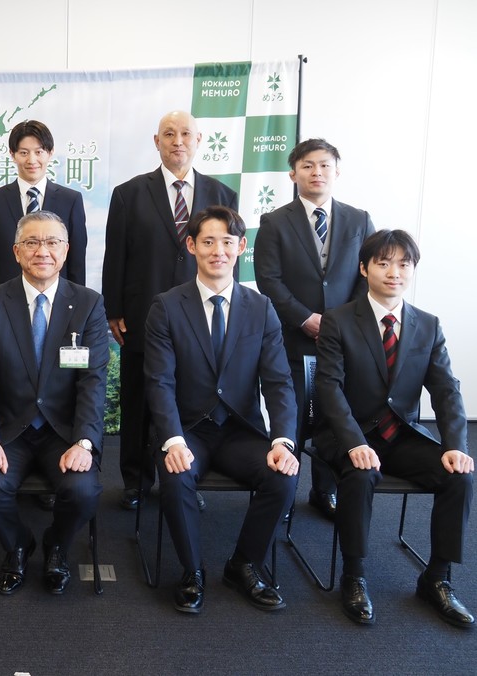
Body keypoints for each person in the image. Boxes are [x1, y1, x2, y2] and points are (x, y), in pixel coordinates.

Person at [315, 229, 474, 628]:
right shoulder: (338, 321)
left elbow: (446, 390)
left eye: (404, 264)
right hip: (348, 434)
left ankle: (436, 578)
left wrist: (455, 445)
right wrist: (354, 442)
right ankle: (354, 576)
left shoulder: (428, 325)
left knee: (459, 476)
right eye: (383, 263)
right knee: (361, 473)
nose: (394, 272)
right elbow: (329, 388)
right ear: (364, 268)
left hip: (400, 436)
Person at [144, 206, 298, 614]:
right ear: (191, 245)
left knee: (283, 477)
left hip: (239, 430)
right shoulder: (166, 306)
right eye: (208, 241)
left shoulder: (261, 308)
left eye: (227, 242)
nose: (218, 251)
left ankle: (244, 565)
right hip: (188, 429)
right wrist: (172, 440)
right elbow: (159, 381)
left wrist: (283, 441)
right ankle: (192, 571)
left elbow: (279, 382)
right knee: (176, 477)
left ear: (241, 247)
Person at [103, 110, 238, 510]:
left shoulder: (222, 194)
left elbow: (226, 258)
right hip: (142, 314)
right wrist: (114, 308)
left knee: (191, 400)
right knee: (138, 401)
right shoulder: (128, 193)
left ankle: (183, 477)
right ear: (156, 141)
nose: (178, 141)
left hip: (200, 315)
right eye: (169, 134)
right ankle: (135, 481)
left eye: (185, 134)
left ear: (198, 140)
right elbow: (116, 255)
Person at [0, 210, 108, 596]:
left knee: (83, 491)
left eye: (52, 242)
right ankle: (18, 544)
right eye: (32, 242)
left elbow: (92, 381)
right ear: (16, 252)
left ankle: (56, 545)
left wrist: (84, 442)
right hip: (8, 431)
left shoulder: (88, 304)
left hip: (64, 432)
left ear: (66, 250)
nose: (42, 251)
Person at [254, 138, 375, 520]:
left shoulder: (359, 220)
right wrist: (305, 318)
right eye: (307, 166)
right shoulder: (274, 222)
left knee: (334, 414)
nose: (316, 172)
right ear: (293, 174)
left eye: (324, 165)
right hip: (293, 337)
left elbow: (368, 276)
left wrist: (341, 323)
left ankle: (325, 490)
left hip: (344, 340)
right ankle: (285, 491)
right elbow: (268, 280)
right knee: (290, 414)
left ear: (337, 171)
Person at [0, 120, 87, 292]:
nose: (32, 160)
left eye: (39, 152)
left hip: (58, 300)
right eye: (24, 153)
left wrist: (77, 303)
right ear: (12, 154)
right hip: (6, 299)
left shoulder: (71, 200)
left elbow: (77, 262)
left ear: (50, 153)